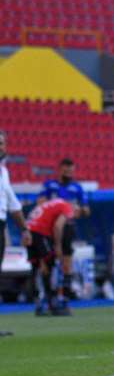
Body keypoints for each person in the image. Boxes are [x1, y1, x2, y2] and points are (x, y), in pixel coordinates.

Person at [38, 158, 90, 300]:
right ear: (60, 169)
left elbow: (86, 209)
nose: (69, 173)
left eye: (71, 171)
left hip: (67, 226)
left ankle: (66, 288)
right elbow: (40, 202)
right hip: (49, 227)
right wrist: (58, 206)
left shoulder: (77, 188)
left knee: (67, 256)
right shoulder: (50, 185)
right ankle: (47, 290)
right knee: (48, 258)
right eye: (66, 170)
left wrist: (80, 211)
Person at [0, 130, 31, 334]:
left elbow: (13, 204)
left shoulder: (4, 171)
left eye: (3, 143)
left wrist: (24, 229)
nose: (2, 147)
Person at [26, 198, 75, 316]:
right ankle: (53, 305)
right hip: (40, 232)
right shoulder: (67, 207)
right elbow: (58, 226)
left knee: (36, 268)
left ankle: (39, 305)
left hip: (29, 230)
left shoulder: (52, 203)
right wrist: (58, 246)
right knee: (49, 266)